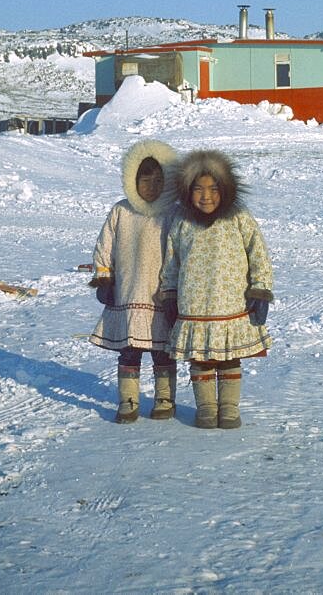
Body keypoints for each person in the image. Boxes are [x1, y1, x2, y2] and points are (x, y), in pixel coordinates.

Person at [159, 149, 273, 429]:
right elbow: (171, 260)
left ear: (226, 189)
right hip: (194, 306)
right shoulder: (182, 221)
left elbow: (257, 252)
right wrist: (170, 294)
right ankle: (207, 408)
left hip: (231, 306)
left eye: (213, 189)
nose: (206, 196)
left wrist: (260, 290)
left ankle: (229, 407)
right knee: (200, 358)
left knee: (228, 357)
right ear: (187, 191)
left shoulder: (238, 218)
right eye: (198, 189)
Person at [89, 139, 179, 423]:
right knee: (129, 353)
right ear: (132, 179)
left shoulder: (173, 213)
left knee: (163, 352)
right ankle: (128, 400)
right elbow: (104, 245)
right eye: (144, 179)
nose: (151, 186)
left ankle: (165, 399)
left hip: (160, 298)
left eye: (158, 180)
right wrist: (104, 278)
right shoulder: (121, 211)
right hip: (126, 295)